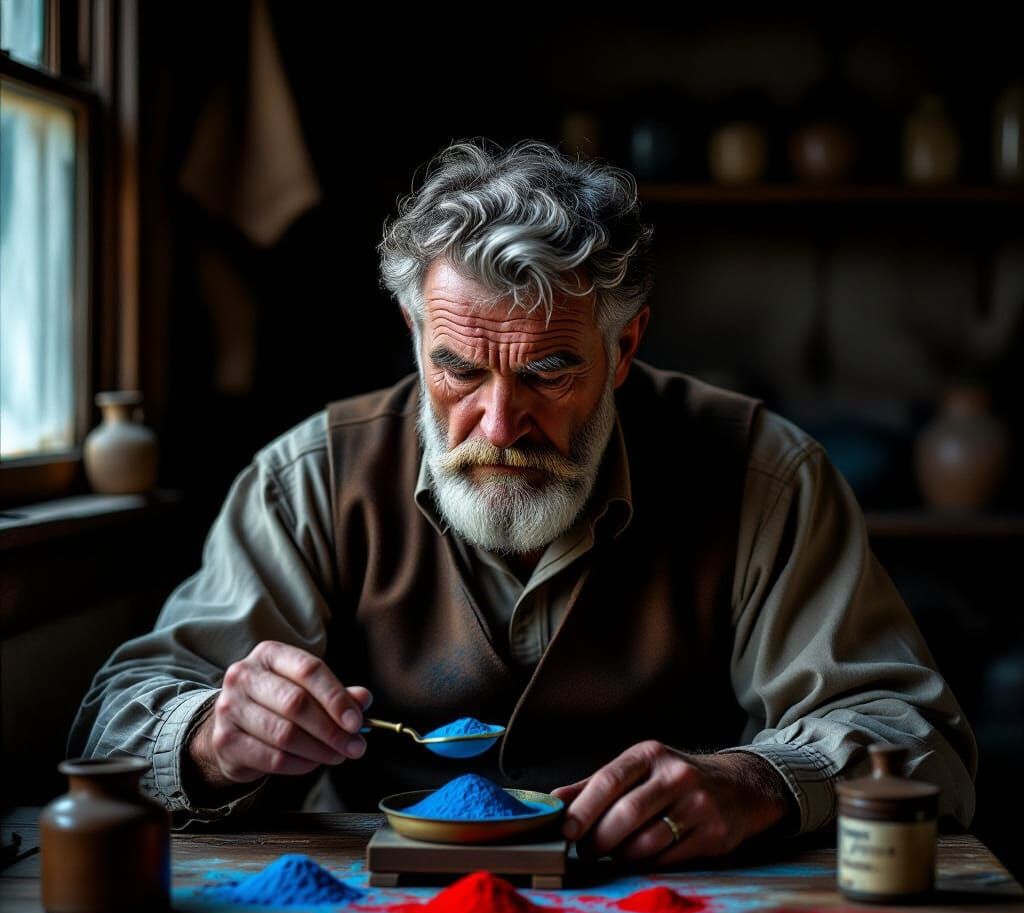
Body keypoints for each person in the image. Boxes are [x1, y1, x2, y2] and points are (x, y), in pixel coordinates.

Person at [70, 139, 977, 865]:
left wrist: (763, 780)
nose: (499, 424)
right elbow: (118, 719)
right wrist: (211, 737)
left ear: (623, 350)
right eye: (458, 369)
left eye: (549, 371)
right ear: (414, 335)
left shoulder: (761, 475)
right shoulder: (309, 479)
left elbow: (915, 735)